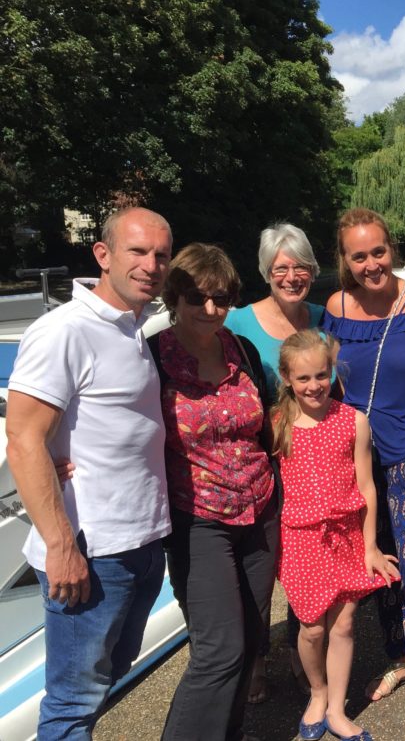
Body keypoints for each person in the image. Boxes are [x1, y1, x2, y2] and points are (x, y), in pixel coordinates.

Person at [6, 207, 173, 740]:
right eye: (138, 251)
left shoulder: (132, 328)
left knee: (103, 682)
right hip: (90, 552)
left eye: (161, 255)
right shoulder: (65, 330)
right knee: (71, 705)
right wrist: (60, 546)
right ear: (102, 255)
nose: (151, 264)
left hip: (139, 543)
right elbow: (24, 436)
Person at [320, 208, 405, 741]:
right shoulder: (337, 305)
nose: (372, 263)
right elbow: (331, 381)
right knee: (379, 567)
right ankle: (401, 656)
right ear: (345, 261)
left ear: (391, 249)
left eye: (379, 251)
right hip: (358, 460)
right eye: (359, 256)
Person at [151, 243, 280, 741]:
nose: (209, 310)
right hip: (197, 519)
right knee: (218, 650)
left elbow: (268, 422)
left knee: (249, 642)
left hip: (260, 510)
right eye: (196, 298)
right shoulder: (152, 358)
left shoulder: (241, 350)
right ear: (175, 297)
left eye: (220, 299)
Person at [273, 330, 400, 741]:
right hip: (301, 540)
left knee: (344, 626)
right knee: (311, 628)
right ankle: (318, 692)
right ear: (287, 379)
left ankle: (337, 708)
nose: (314, 386)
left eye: (321, 375)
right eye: (303, 378)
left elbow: (367, 488)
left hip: (346, 537)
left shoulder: (353, 420)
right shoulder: (278, 424)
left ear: (332, 373)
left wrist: (370, 546)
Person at [225, 221, 325, 702]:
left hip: (315, 465)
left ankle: (298, 650)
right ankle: (256, 658)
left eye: (299, 266)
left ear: (312, 269)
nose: (291, 276)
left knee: (310, 563)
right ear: (266, 272)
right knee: (261, 568)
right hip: (260, 466)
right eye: (280, 267)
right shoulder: (238, 323)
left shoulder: (325, 317)